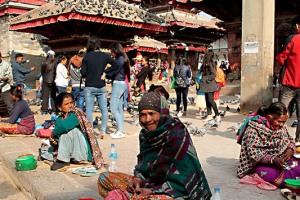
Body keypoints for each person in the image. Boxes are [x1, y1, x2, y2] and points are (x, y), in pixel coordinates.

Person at [97, 92, 211, 199]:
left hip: (177, 191)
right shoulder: (144, 135)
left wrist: (152, 191)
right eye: (143, 115)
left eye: (152, 114)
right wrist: (137, 180)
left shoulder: (177, 133)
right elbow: (144, 166)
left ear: (162, 113)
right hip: (149, 184)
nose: (147, 120)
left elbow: (184, 178)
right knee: (104, 178)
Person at [237, 102, 300, 187]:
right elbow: (253, 153)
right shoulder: (254, 128)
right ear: (269, 117)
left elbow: (289, 140)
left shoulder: (281, 127)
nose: (282, 124)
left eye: (284, 122)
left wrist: (290, 149)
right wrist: (273, 159)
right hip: (258, 163)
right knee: (275, 176)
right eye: (279, 121)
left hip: (279, 158)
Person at [50, 92, 104, 171]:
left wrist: (52, 134)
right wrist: (54, 141)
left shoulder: (76, 114)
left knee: (70, 131)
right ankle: (64, 157)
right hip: (71, 151)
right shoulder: (59, 119)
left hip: (82, 152)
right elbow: (59, 137)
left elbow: (65, 126)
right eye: (66, 104)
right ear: (60, 107)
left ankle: (63, 160)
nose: (70, 105)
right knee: (47, 149)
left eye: (71, 102)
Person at [80, 36, 118, 134]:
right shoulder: (104, 56)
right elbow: (116, 65)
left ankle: (90, 131)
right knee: (104, 109)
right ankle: (103, 131)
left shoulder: (86, 57)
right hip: (101, 85)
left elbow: (83, 72)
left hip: (89, 85)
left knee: (89, 109)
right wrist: (106, 72)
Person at [276, 15, 300, 143]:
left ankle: (279, 138)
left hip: (289, 82)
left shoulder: (292, 39)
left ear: (297, 26)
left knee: (281, 112)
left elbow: (280, 58)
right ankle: (299, 141)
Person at [104, 43, 130, 139]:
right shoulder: (123, 58)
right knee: (119, 109)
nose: (111, 54)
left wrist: (105, 73)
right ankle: (120, 129)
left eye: (112, 52)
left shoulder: (119, 60)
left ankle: (120, 131)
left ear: (115, 50)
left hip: (118, 84)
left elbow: (114, 69)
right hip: (122, 83)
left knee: (113, 108)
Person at [199, 50, 220, 122]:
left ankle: (217, 115)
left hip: (210, 84)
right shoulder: (205, 63)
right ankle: (209, 114)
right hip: (206, 84)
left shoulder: (211, 63)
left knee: (211, 100)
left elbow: (213, 74)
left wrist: (207, 79)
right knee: (207, 100)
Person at [41, 50, 57, 115]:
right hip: (53, 81)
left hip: (45, 81)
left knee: (45, 96)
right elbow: (56, 72)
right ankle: (53, 110)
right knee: (53, 96)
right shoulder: (55, 63)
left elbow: (42, 72)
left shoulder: (44, 63)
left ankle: (44, 110)